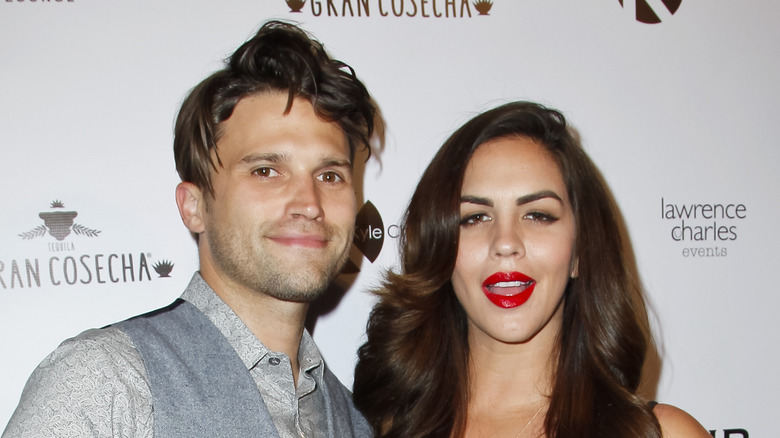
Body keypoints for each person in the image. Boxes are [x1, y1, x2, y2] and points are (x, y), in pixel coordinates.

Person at [4, 21, 376, 438]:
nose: (309, 202)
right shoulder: (108, 384)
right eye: (267, 170)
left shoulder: (350, 419)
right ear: (194, 207)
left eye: (329, 176)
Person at [353, 101, 711, 438]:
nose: (505, 242)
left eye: (538, 215)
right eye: (475, 217)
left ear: (580, 251)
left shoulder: (664, 434)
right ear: (441, 247)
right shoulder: (381, 427)